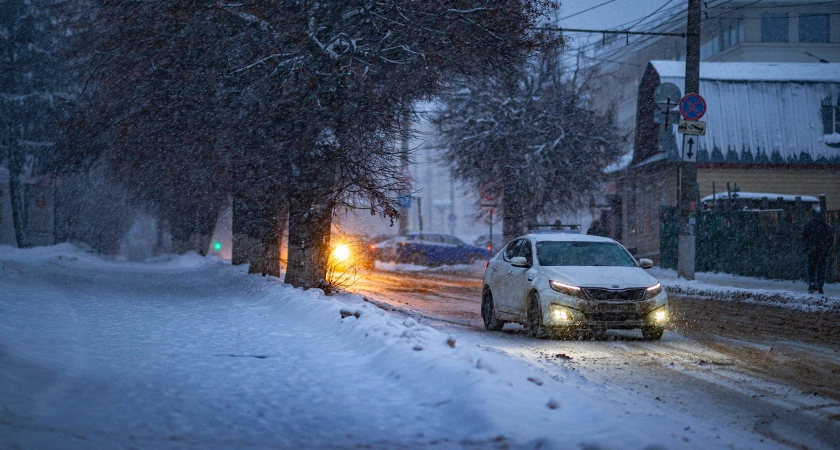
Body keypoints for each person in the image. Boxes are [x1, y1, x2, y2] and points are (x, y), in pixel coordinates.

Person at [802, 210, 832, 294]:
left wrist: (808, 248)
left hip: (812, 251)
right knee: (821, 269)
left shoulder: (809, 226)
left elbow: (805, 238)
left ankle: (812, 284)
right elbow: (829, 240)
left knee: (811, 268)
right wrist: (825, 248)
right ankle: (820, 286)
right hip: (821, 251)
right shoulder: (825, 227)